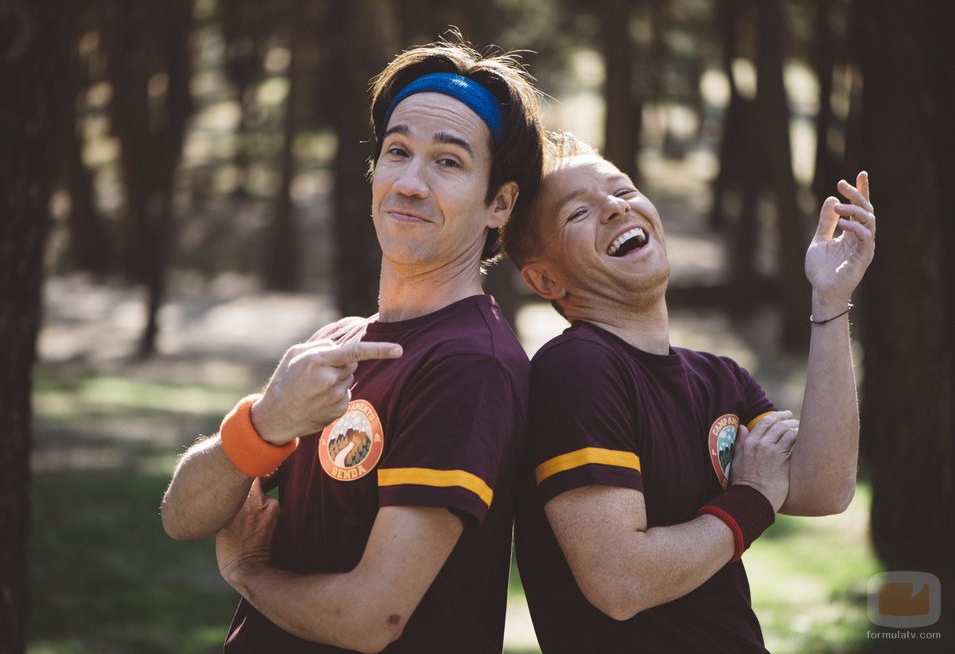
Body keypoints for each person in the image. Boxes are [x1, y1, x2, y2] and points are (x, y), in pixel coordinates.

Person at [160, 39, 544, 653]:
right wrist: (264, 424)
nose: (411, 183)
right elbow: (182, 516)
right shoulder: (334, 343)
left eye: (448, 162)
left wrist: (247, 572)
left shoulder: (472, 363)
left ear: (499, 202)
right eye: (398, 152)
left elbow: (371, 619)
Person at [502, 132, 875, 652]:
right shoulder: (577, 370)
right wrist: (750, 500)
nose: (614, 207)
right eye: (577, 213)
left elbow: (824, 488)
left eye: (624, 191)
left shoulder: (719, 378)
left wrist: (830, 299)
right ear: (545, 281)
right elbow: (621, 582)